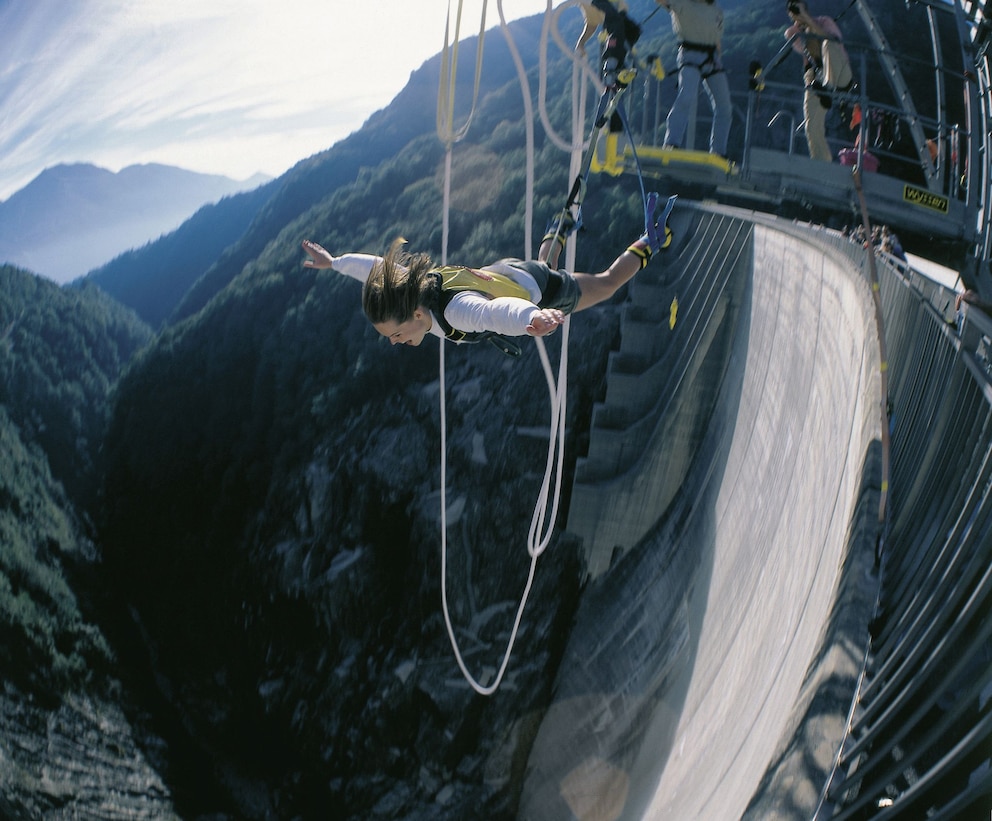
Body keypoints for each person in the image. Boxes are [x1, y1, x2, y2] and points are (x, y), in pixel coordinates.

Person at [300, 208, 672, 350]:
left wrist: (531, 319)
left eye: (395, 335)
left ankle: (651, 239)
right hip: (503, 272)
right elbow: (374, 268)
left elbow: (493, 315)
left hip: (529, 290)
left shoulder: (457, 311)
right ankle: (555, 231)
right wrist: (335, 263)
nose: (396, 343)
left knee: (605, 284)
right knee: (542, 269)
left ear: (415, 315)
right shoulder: (410, 288)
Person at [656, 0, 732, 157]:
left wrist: (718, 58)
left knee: (724, 106)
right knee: (686, 97)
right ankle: (671, 143)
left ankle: (718, 152)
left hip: (711, 58)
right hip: (690, 54)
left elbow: (717, 39)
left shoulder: (716, 10)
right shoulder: (682, 3)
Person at [785, 0, 852, 162]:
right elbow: (803, 50)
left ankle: (827, 88)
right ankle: (822, 163)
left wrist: (808, 19)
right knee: (811, 127)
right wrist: (802, 25)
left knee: (828, 43)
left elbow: (832, 40)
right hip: (817, 79)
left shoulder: (824, 22)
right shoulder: (794, 32)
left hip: (840, 73)